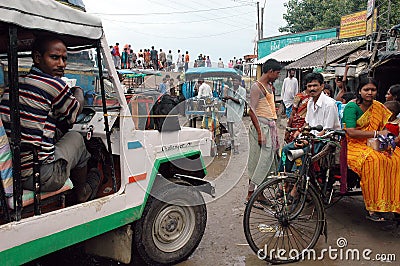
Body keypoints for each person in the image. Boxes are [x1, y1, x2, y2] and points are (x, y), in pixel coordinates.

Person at [0, 35, 100, 203]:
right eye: (54, 57)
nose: (61, 64)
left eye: (64, 59)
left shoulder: (14, 85)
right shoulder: (55, 85)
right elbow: (74, 114)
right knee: (77, 138)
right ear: (38, 58)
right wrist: (78, 91)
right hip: (41, 176)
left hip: (14, 170)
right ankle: (82, 193)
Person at [342, 76, 400, 221]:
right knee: (373, 160)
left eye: (373, 90)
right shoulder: (351, 106)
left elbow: (385, 128)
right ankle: (373, 208)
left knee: (396, 157)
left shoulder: (379, 107)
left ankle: (393, 204)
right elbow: (351, 132)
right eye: (366, 89)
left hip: (375, 143)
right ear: (359, 91)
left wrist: (386, 140)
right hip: (355, 146)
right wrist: (376, 133)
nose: (370, 92)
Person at [278, 72, 341, 173]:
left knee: (301, 153)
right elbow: (307, 124)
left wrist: (308, 141)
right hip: (310, 139)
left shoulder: (329, 104)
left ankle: (297, 184)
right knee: (286, 150)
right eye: (309, 86)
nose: (312, 88)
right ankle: (283, 179)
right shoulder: (310, 102)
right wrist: (299, 134)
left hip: (324, 141)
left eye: (315, 85)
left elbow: (326, 130)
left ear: (322, 86)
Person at [246, 59, 282, 201]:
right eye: (277, 73)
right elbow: (252, 111)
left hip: (269, 127)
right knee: (257, 161)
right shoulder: (257, 87)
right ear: (270, 72)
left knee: (268, 161)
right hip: (261, 128)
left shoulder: (269, 86)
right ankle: (250, 194)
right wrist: (260, 133)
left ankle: (259, 193)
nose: (278, 76)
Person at [224, 76, 246, 154]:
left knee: (236, 132)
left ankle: (236, 148)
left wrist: (230, 97)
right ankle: (232, 145)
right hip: (230, 114)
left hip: (237, 114)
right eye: (233, 81)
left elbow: (240, 101)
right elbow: (224, 98)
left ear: (240, 82)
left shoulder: (242, 91)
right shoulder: (229, 89)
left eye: (236, 81)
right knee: (230, 132)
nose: (234, 82)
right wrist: (225, 92)